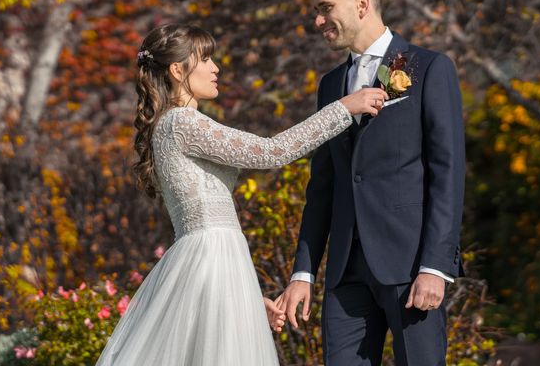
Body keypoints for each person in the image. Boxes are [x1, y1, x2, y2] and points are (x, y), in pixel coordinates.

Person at [94, 23, 388, 365]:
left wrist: (245, 301)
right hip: (211, 254)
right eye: (205, 60)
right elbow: (271, 152)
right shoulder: (181, 123)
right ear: (177, 70)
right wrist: (343, 108)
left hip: (213, 262)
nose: (216, 68)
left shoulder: (172, 124)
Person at [275, 0, 465, 366]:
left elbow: (447, 174)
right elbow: (323, 186)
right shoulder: (330, 86)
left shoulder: (429, 68)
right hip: (346, 273)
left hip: (411, 266)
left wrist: (436, 265)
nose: (318, 21)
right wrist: (303, 272)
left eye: (325, 8)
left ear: (361, 4)